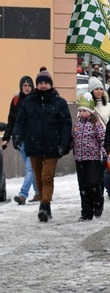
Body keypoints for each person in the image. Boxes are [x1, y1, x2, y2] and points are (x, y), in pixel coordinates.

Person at [11, 67, 72, 222]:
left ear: (51, 85)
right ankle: (46, 206)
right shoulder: (29, 102)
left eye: (46, 83)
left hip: (53, 147)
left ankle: (44, 205)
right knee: (38, 178)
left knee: (47, 177)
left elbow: (66, 125)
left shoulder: (59, 103)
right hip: (34, 147)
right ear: (37, 85)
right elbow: (20, 120)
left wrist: (64, 144)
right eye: (41, 83)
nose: (43, 85)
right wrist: (16, 135)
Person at [4, 75, 39, 205]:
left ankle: (23, 194)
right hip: (20, 141)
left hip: (32, 140)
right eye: (24, 85)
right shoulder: (16, 100)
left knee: (30, 169)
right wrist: (7, 138)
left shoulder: (35, 100)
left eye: (29, 85)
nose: (27, 87)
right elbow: (11, 120)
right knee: (31, 168)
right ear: (21, 86)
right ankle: (38, 193)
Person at [72, 93, 106, 221]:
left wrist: (105, 153)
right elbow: (73, 138)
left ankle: (98, 203)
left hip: (93, 158)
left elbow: (102, 138)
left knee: (93, 182)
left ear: (90, 111)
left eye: (84, 111)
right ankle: (86, 212)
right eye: (80, 110)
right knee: (83, 186)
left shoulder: (96, 123)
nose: (81, 113)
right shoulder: (77, 124)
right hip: (79, 159)